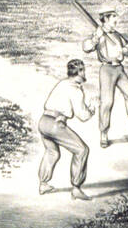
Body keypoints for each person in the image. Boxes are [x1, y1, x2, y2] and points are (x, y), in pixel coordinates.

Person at [81, 10, 128, 147]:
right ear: (106, 19)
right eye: (114, 17)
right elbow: (86, 47)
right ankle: (104, 135)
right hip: (107, 70)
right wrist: (96, 38)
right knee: (107, 102)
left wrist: (126, 50)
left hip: (119, 68)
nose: (117, 20)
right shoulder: (99, 34)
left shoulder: (117, 35)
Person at [38, 58, 95, 200]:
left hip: (43, 121)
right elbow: (83, 116)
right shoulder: (75, 90)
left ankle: (43, 184)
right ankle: (76, 188)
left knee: (52, 152)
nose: (84, 73)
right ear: (80, 71)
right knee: (82, 150)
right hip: (55, 124)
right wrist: (92, 109)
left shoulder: (62, 83)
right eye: (83, 70)